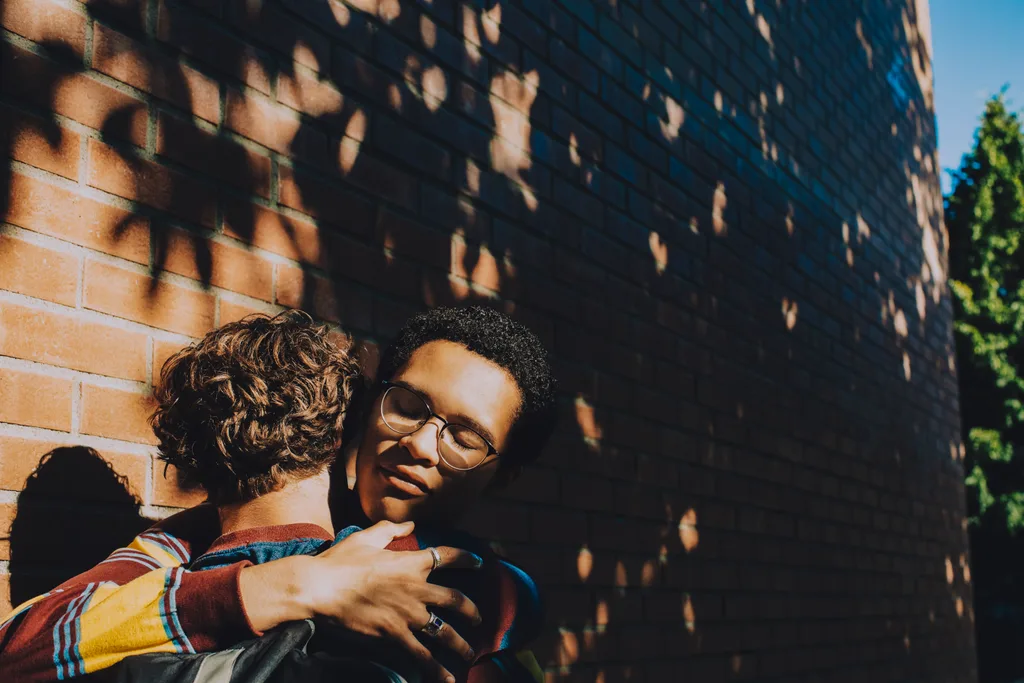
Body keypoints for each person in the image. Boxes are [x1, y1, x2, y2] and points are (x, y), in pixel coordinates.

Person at [0, 306, 558, 683]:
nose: (419, 444)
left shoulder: (486, 597)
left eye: (464, 438)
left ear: (502, 474)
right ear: (366, 410)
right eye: (408, 407)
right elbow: (20, 647)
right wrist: (288, 585)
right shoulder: (194, 539)